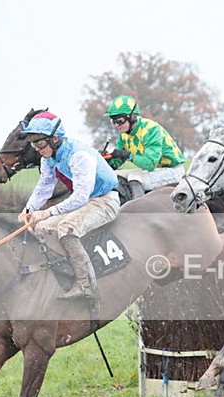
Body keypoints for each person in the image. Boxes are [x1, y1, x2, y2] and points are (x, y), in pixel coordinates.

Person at [18, 111, 120, 302]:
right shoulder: (48, 158)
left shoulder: (79, 156)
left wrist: (47, 212)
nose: (37, 149)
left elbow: (80, 196)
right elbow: (44, 188)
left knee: (67, 228)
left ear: (55, 138)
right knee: (42, 227)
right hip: (88, 200)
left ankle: (85, 284)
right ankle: (59, 273)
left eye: (39, 143)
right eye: (33, 143)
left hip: (105, 200)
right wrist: (28, 210)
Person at [103, 94, 186, 199]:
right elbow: (116, 164)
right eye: (113, 121)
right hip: (154, 171)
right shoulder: (123, 135)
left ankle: (138, 211)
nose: (116, 125)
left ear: (132, 116)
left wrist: (127, 155)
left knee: (135, 177)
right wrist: (104, 160)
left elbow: (150, 164)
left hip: (173, 171)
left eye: (120, 120)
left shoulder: (150, 129)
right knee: (115, 175)